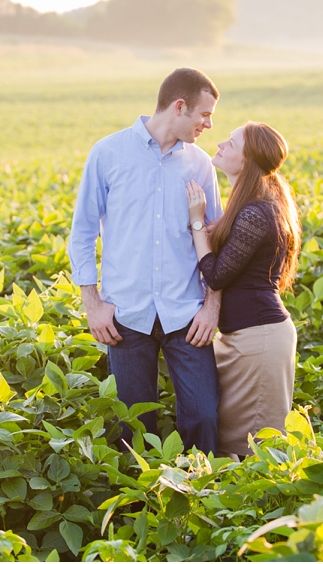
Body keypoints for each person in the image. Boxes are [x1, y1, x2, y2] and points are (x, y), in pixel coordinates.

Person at [68, 68, 224, 454]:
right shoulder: (108, 153)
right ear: (180, 106)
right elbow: (83, 233)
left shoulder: (201, 164)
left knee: (205, 416)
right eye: (205, 115)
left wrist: (212, 308)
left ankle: (200, 502)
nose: (209, 124)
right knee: (132, 429)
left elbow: (216, 241)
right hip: (125, 316)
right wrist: (94, 306)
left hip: (187, 316)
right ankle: (139, 508)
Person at [185, 121, 301, 458]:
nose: (220, 143)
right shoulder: (249, 205)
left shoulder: (256, 212)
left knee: (252, 447)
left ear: (247, 160)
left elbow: (217, 276)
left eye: (232, 143)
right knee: (230, 439)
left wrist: (196, 223)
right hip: (244, 339)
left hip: (260, 340)